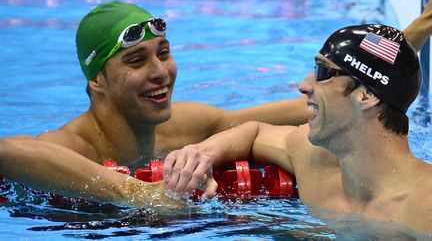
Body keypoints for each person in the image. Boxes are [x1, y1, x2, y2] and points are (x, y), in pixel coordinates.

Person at [0, 1, 310, 209]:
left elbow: (276, 115)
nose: (160, 72)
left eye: (163, 54)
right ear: (97, 80)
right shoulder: (76, 145)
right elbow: (7, 151)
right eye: (136, 61)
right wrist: (140, 193)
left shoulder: (183, 126)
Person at [163, 21, 432, 232]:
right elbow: (256, 132)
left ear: (365, 95)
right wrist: (202, 152)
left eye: (323, 72)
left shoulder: (422, 206)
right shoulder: (314, 160)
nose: (304, 85)